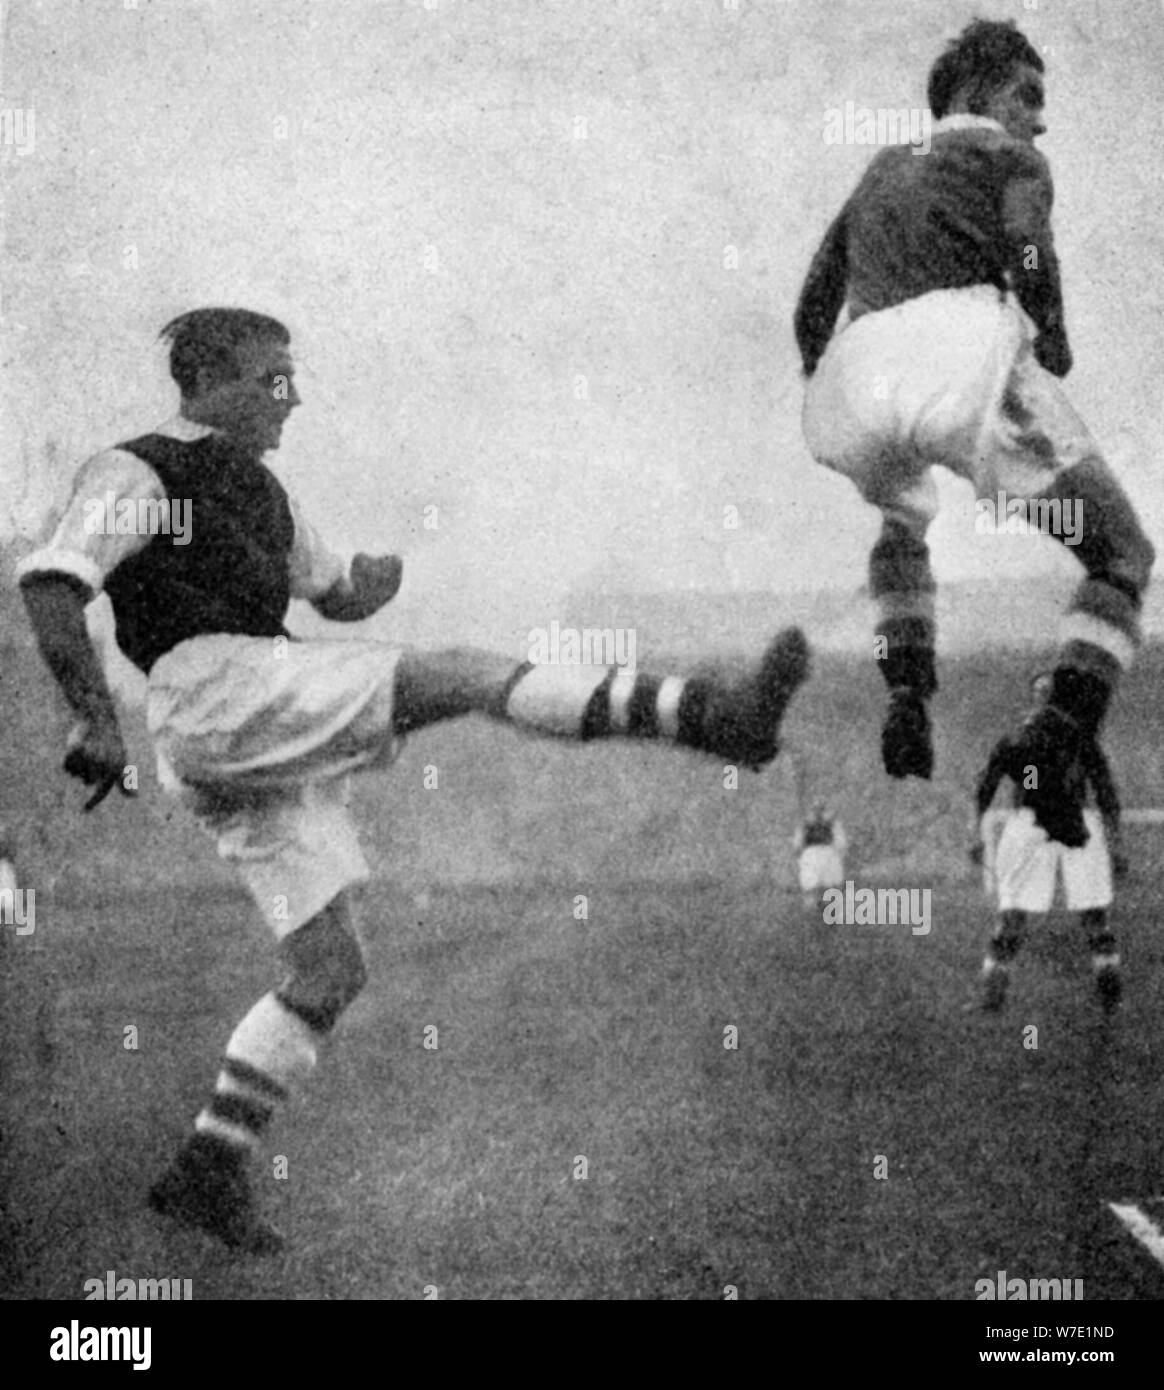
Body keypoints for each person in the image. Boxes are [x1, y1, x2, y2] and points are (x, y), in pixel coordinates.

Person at [17, 307, 810, 1254]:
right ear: (212, 381)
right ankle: (714, 717)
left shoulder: (265, 494)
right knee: (466, 675)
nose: (294, 396)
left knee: (330, 971)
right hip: (214, 692)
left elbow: (338, 590)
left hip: (244, 711)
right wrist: (91, 717)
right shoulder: (138, 467)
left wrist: (379, 578)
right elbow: (54, 581)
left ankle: (208, 1170)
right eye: (275, 378)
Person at [794, 19, 1153, 781]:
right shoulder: (1009, 155)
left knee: (901, 518)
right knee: (1121, 552)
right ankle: (1056, 736)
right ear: (974, 92)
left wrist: (828, 382)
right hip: (960, 350)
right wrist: (1051, 334)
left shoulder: (882, 168)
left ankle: (906, 695)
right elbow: (1028, 245)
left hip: (856, 377)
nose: (1040, 116)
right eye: (1028, 94)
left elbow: (813, 302)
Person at [969, 672, 1126, 1013]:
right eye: (1042, 692)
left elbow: (1105, 789)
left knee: (1071, 911)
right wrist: (975, 831)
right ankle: (996, 989)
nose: (1045, 698)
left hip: (1054, 820)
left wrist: (1115, 843)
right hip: (1053, 821)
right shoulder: (1063, 736)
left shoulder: (1042, 737)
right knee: (1037, 911)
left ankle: (1106, 986)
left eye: (1048, 693)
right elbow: (986, 783)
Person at [793, 801, 847, 912]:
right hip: (816, 855)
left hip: (821, 855)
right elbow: (840, 843)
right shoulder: (806, 824)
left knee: (822, 885)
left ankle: (822, 908)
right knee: (818, 886)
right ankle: (818, 908)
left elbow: (797, 844)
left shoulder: (828, 823)